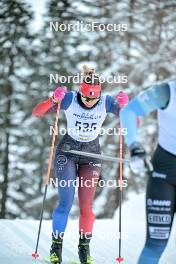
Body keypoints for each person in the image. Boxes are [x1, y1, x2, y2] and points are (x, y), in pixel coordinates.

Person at [32, 65, 128, 264]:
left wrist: (126, 106)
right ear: (81, 92)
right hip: (67, 153)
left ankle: (84, 249)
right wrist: (53, 100)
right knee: (65, 202)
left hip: (91, 155)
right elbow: (37, 112)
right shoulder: (69, 98)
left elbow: (131, 121)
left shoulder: (106, 102)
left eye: (93, 99)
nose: (89, 102)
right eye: (86, 98)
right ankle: (56, 247)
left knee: (86, 206)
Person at [120, 80, 176, 264]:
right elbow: (129, 111)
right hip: (164, 174)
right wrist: (135, 146)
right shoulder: (167, 91)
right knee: (156, 243)